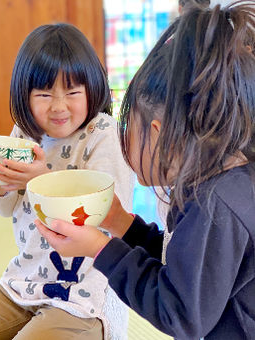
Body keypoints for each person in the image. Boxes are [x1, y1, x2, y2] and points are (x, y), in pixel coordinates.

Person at [36, 3, 255, 339]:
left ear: (156, 132)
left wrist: (99, 248)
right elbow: (183, 271)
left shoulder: (215, 206)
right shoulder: (220, 184)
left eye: (128, 126)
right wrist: (121, 225)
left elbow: (178, 312)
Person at [0, 23, 135, 340]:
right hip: (27, 279)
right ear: (24, 95)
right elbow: (5, 207)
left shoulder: (104, 134)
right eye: (44, 94)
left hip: (86, 291)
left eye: (72, 92)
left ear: (92, 90)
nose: (58, 106)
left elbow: (107, 212)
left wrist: (43, 180)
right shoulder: (25, 135)